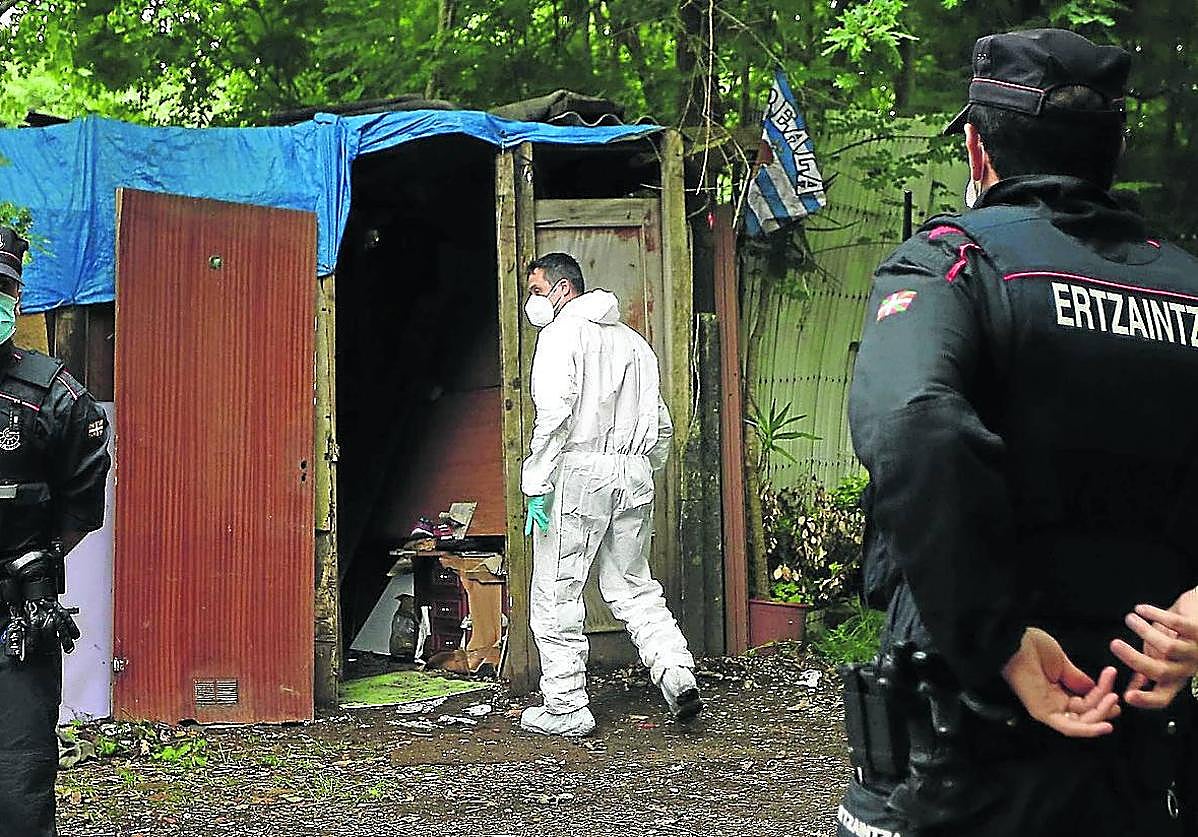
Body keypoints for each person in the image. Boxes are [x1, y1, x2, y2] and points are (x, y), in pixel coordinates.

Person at [837, 28, 1198, 837]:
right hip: (1144, 777)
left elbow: (913, 421)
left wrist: (994, 637)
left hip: (966, 768)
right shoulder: (1192, 293)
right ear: (1113, 147)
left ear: (976, 148)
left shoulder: (952, 267)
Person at [518, 252, 701, 737]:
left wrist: (536, 481)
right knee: (633, 585)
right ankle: (675, 670)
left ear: (562, 289)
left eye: (536, 291)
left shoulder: (560, 336)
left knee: (558, 589)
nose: (531, 303)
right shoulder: (634, 342)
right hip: (633, 472)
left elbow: (554, 415)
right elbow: (661, 423)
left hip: (580, 473)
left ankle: (565, 705)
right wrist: (644, 469)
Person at [0, 226, 110, 836]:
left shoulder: (54, 396)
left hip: (18, 613)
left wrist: (33, 560)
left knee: (17, 780)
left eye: (2, 289)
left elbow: (82, 498)